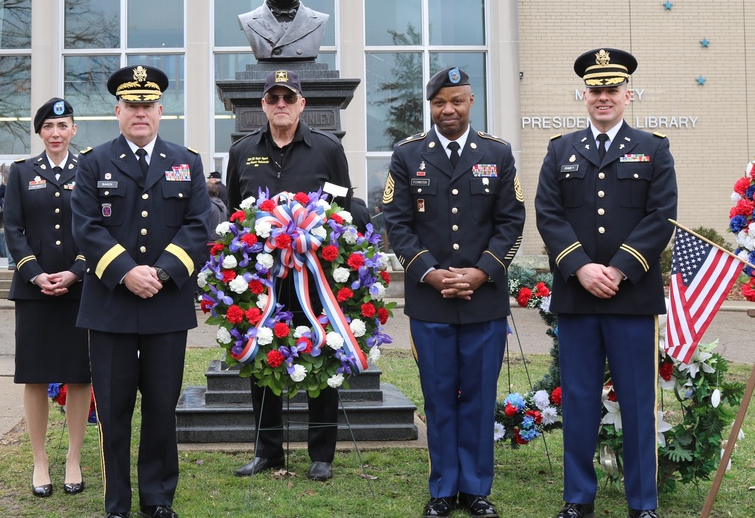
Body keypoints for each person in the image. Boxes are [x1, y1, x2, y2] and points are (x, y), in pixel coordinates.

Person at [535, 49, 676, 518]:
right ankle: (578, 499)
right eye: (595, 90)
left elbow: (661, 216)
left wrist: (617, 268)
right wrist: (580, 267)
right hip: (578, 296)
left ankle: (643, 504)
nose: (603, 98)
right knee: (578, 400)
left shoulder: (654, 148)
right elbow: (548, 214)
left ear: (627, 95)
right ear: (584, 95)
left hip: (632, 295)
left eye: (611, 90)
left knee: (638, 402)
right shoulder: (560, 149)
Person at [382, 66, 525, 518]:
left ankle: (476, 489)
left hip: (484, 298)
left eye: (457, 100)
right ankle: (443, 488)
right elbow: (397, 225)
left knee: (480, 395)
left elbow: (511, 222)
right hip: (431, 300)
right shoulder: (408, 156)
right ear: (431, 106)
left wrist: (482, 272)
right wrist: (428, 272)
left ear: (471, 101)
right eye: (440, 102)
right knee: (439, 394)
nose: (449, 109)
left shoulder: (497, 153)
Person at [71, 65, 209, 518]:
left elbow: (198, 225)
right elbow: (86, 228)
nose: (140, 113)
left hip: (166, 306)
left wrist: (163, 272)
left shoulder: (185, 161)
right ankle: (117, 503)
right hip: (110, 304)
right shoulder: (93, 162)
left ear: (161, 111)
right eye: (132, 106)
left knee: (161, 406)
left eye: (147, 105)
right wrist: (127, 271)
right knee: (112, 409)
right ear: (117, 111)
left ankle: (157, 498)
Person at [226, 68, 353, 482]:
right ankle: (268, 451)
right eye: (273, 98)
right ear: (262, 105)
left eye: (288, 97)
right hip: (260, 282)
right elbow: (233, 213)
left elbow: (346, 213)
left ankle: (322, 454)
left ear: (302, 103)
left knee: (323, 351)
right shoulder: (243, 151)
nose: (281, 104)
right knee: (263, 358)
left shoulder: (327, 149)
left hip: (315, 280)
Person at [3, 97, 92, 498]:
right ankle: (40, 460)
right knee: (35, 375)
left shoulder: (89, 169)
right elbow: (12, 229)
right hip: (33, 290)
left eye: (63, 126)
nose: (56, 133)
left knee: (78, 374)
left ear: (74, 130)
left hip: (80, 288)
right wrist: (36, 275)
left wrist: (75, 271)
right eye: (48, 127)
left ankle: (73, 457)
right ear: (39, 132)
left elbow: (96, 225)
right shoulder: (22, 173)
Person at [0, 164, 15, 269]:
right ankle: (11, 263)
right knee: (9, 239)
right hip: (8, 216)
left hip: (24, 216)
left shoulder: (24, 183)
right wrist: (3, 204)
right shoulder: (5, 186)